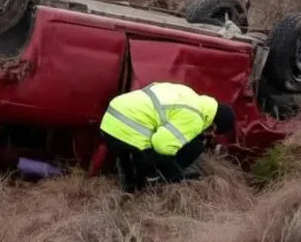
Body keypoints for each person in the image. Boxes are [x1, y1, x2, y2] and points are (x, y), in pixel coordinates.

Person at [98, 82, 236, 192]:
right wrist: (174, 172)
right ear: (214, 124)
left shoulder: (189, 94)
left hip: (112, 118)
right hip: (130, 128)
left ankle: (129, 189)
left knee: (130, 161)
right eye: (213, 131)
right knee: (165, 155)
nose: (210, 134)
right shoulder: (196, 117)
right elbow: (161, 144)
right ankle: (149, 186)